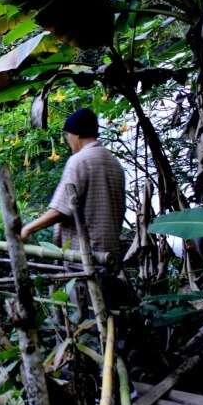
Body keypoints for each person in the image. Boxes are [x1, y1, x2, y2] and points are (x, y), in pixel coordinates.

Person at [20, 108, 126, 307]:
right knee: (108, 315)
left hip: (84, 257)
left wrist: (28, 228)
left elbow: (61, 210)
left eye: (67, 135)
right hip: (110, 255)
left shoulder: (79, 161)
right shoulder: (114, 163)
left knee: (86, 315)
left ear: (75, 134)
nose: (68, 140)